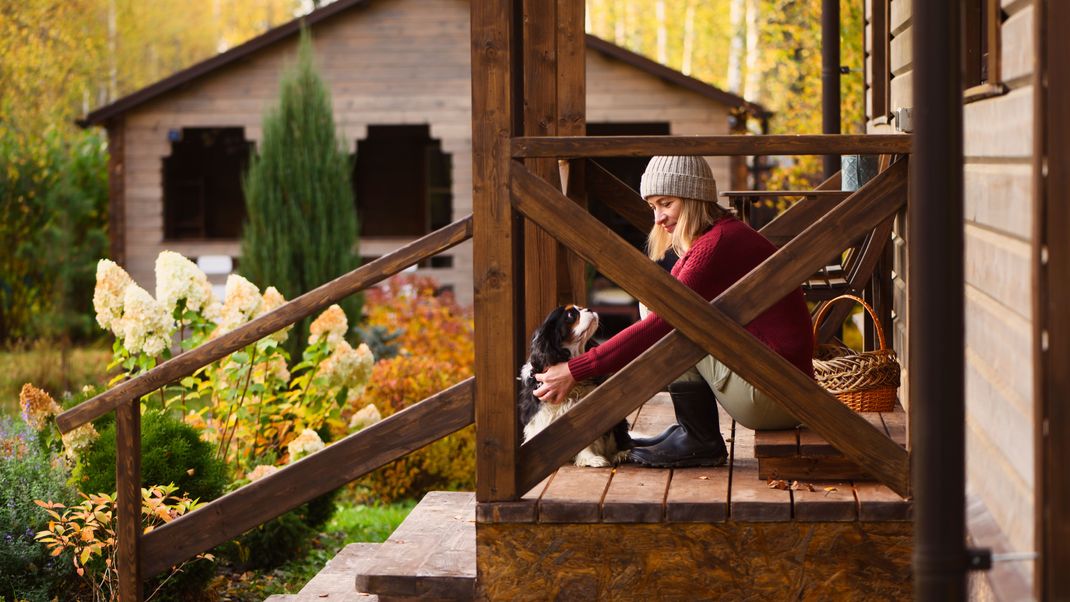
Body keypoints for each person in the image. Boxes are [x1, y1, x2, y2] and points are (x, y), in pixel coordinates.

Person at [533, 155, 814, 468]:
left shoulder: (716, 245)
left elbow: (661, 325)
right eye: (653, 207)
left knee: (675, 323)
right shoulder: (716, 237)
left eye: (666, 203)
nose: (658, 218)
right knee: (661, 305)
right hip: (779, 390)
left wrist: (577, 369)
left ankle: (699, 440)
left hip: (774, 397)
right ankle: (693, 431)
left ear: (694, 197)